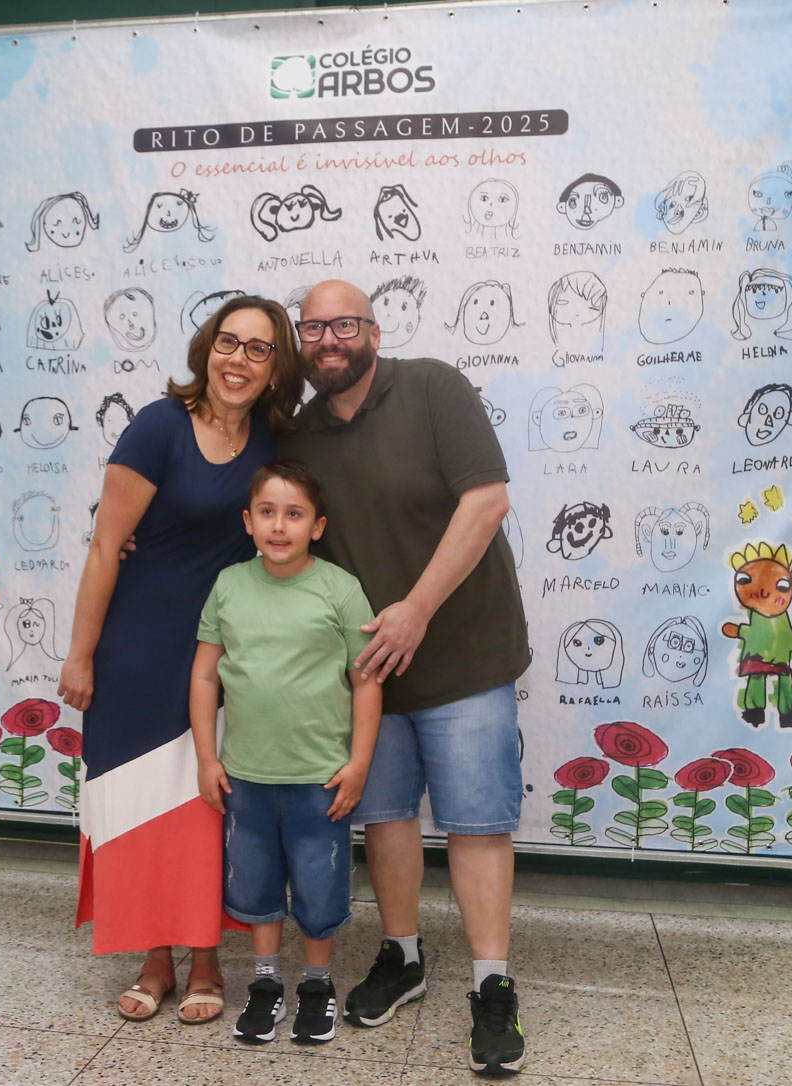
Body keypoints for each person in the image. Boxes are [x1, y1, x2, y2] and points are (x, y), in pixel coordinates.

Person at [282, 280, 531, 1075]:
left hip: (465, 654)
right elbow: (270, 525)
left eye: (343, 324)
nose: (328, 340)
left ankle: (491, 984)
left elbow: (486, 502)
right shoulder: (299, 434)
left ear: (373, 330)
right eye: (312, 328)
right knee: (384, 818)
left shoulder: (432, 387)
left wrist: (416, 609)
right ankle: (403, 957)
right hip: (371, 668)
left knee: (476, 823)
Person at [58, 296, 303, 1025]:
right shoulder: (158, 426)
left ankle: (206, 960)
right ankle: (155, 958)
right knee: (139, 806)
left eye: (259, 348)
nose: (239, 359)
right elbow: (107, 545)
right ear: (206, 348)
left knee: (208, 808)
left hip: (227, 653)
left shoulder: (275, 439)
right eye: (229, 342)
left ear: (275, 368)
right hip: (138, 646)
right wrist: (80, 655)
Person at [189, 460, 382, 1045]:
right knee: (256, 886)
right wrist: (207, 759)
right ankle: (266, 983)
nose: (279, 526)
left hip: (320, 781)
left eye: (294, 514)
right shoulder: (229, 585)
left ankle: (318, 985)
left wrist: (359, 764)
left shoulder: (341, 589)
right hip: (244, 778)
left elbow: (366, 681)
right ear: (248, 521)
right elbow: (205, 677)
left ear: (317, 526)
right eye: (267, 512)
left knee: (319, 889)